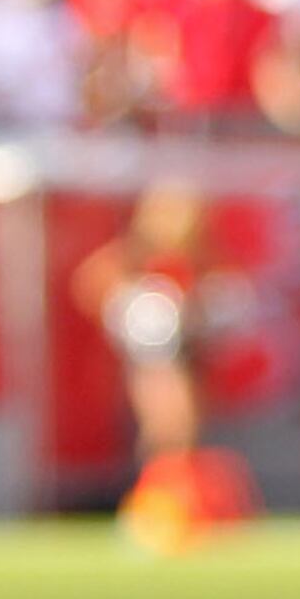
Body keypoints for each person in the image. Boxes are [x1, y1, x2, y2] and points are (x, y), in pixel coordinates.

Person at [74, 182, 217, 478]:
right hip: (151, 358)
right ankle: (160, 484)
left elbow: (220, 289)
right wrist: (126, 305)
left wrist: (194, 311)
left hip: (186, 353)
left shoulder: (194, 258)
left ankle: (180, 482)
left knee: (185, 418)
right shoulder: (132, 257)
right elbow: (91, 284)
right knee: (161, 418)